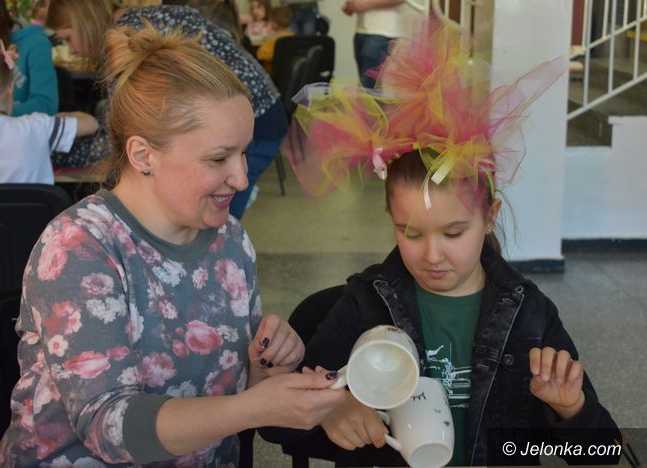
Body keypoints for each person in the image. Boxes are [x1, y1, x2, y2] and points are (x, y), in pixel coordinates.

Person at [265, 23, 621, 466]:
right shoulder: (365, 303)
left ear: (489, 216)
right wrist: (332, 409)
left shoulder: (528, 313)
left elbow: (603, 453)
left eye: (453, 233)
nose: (432, 256)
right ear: (390, 218)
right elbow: (275, 427)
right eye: (410, 233)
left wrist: (571, 410)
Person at [0, 26, 345, 467]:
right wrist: (254, 407)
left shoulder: (230, 240)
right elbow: (109, 429)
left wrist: (262, 368)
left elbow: (226, 401)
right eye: (218, 158)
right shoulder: (79, 248)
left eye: (244, 153)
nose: (241, 178)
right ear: (143, 155)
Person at [46, 0, 287, 219]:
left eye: (68, 38)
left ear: (83, 22)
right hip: (257, 112)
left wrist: (50, 147)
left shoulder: (127, 39)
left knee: (214, 219)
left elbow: (119, 136)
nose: (72, 49)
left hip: (254, 119)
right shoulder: (148, 18)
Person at [0, 44, 98, 321]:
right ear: (10, 89)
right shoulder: (36, 127)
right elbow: (90, 123)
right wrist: (52, 118)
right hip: (39, 262)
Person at [341, 0, 420, 87]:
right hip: (362, 30)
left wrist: (366, 3)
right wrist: (351, 6)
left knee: (368, 85)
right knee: (366, 84)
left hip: (382, 31)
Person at [256, 6, 293, 76]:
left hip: (271, 75)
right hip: (290, 74)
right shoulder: (294, 37)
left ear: (274, 24)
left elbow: (260, 55)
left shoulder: (273, 40)